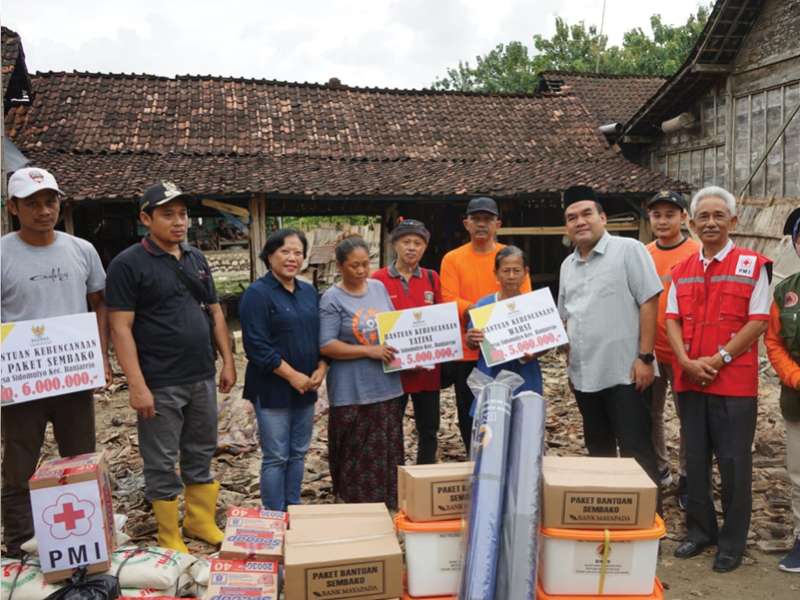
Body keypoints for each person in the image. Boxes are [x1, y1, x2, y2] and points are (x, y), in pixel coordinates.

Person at [107, 181, 236, 552]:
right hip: (159, 379)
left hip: (201, 374)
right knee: (161, 459)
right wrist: (136, 384)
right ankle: (169, 534)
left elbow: (214, 311)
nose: (178, 222)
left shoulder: (195, 258)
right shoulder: (128, 264)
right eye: (168, 214)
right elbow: (121, 327)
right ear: (146, 218)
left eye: (182, 214)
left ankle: (199, 521)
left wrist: (227, 359)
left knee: (201, 448)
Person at [1, 167, 110, 558]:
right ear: (13, 207)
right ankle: (19, 541)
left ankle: (85, 535)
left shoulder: (81, 250)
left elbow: (99, 303)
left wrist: (99, 353)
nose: (44, 210)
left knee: (80, 458)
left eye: (50, 201)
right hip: (21, 381)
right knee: (19, 460)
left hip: (73, 378)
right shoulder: (2, 254)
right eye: (32, 203)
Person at [666, 186, 771, 573]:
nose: (711, 222)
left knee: (733, 463)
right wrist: (684, 360)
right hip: (690, 378)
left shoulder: (753, 264)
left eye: (718, 215)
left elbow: (758, 320)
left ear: (733, 221)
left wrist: (719, 357)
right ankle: (699, 531)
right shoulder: (681, 271)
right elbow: (672, 319)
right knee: (694, 458)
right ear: (692, 224)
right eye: (703, 217)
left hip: (734, 384)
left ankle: (732, 541)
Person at [557, 185, 662, 488]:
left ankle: (647, 526)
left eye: (587, 213)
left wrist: (645, 357)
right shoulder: (568, 265)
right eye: (572, 217)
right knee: (599, 452)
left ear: (603, 217)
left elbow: (649, 301)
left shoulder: (629, 250)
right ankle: (610, 520)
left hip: (626, 374)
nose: (580, 222)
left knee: (636, 452)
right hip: (584, 376)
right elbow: (568, 317)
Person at [239, 229, 327, 511]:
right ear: (270, 255)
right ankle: (274, 516)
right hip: (273, 387)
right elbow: (256, 346)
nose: (292, 258)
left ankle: (294, 508)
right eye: (285, 252)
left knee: (298, 453)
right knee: (276, 455)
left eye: (298, 253)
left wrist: (322, 367)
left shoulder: (308, 292)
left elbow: (321, 336)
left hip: (306, 387)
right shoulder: (257, 294)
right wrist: (292, 376)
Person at [440, 197, 531, 454]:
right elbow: (449, 299)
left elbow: (525, 300)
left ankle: (511, 463)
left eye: (488, 220)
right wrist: (486, 314)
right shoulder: (453, 259)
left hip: (508, 351)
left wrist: (486, 315)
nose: (482, 225)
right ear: (466, 224)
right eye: (476, 219)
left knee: (511, 411)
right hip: (469, 351)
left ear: (497, 224)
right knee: (472, 415)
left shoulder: (511, 259)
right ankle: (477, 465)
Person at [320, 236, 405, 506]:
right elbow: (327, 344)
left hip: (386, 384)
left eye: (365, 264)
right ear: (340, 267)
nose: (360, 271)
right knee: (353, 450)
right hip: (351, 389)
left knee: (386, 449)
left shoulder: (379, 288)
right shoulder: (332, 298)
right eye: (354, 265)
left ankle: (388, 503)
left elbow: (393, 326)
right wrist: (369, 350)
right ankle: (354, 507)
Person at [645, 191, 701, 504]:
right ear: (649, 219)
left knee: (688, 417)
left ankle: (688, 478)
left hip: (685, 352)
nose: (663, 220)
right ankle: (660, 469)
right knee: (650, 415)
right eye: (657, 215)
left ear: (683, 218)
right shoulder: (643, 253)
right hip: (650, 351)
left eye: (670, 214)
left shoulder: (696, 251)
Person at [372, 219, 442, 464]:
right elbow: (371, 323)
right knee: (390, 431)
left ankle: (424, 478)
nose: (412, 248)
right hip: (392, 373)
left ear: (425, 247)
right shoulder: (377, 280)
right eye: (406, 242)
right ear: (395, 245)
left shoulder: (432, 279)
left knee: (429, 430)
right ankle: (392, 479)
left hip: (427, 372)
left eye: (418, 243)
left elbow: (441, 321)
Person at [765, 207, 800, 573]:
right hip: (798, 394)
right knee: (799, 471)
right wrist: (794, 376)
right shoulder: (786, 293)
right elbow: (774, 343)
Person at [466, 246, 543, 408]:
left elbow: (548, 342)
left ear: (525, 272)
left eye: (516, 270)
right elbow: (471, 344)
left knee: (525, 424)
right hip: (492, 373)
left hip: (526, 373)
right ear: (496, 273)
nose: (511, 276)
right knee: (492, 425)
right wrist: (471, 338)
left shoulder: (535, 305)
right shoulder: (483, 306)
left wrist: (536, 352)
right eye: (506, 271)